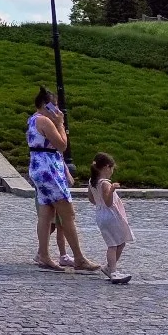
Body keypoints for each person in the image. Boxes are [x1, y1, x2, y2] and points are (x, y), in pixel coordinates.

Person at [27, 86, 100, 272]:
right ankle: (79, 258)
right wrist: (60, 124)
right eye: (55, 105)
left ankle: (43, 254)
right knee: (68, 214)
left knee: (46, 214)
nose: (58, 110)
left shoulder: (33, 120)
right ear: (46, 105)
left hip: (39, 168)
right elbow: (62, 146)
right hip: (49, 170)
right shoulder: (45, 121)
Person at [88, 152, 134, 284]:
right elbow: (108, 202)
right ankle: (112, 270)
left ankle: (110, 267)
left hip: (100, 214)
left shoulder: (92, 182)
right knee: (114, 244)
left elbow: (91, 199)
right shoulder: (105, 183)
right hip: (110, 215)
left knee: (117, 242)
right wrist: (112, 189)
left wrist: (100, 201)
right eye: (112, 168)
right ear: (107, 167)